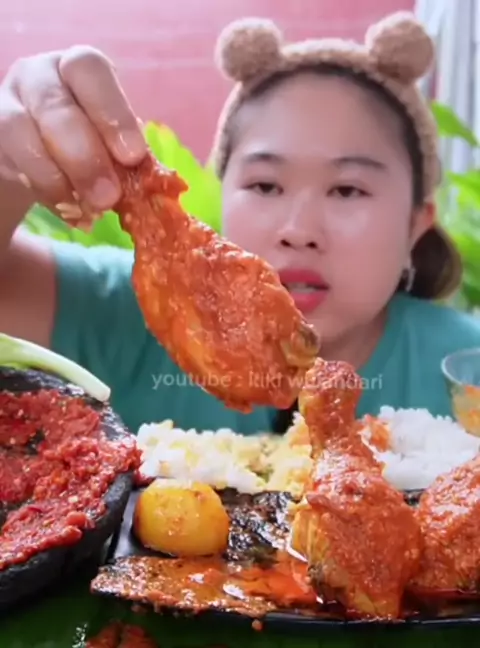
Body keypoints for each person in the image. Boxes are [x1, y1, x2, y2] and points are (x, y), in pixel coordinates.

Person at [0, 11, 478, 436]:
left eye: (347, 190)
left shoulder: (466, 366)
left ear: (416, 224)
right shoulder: (123, 311)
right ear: (223, 192)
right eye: (266, 185)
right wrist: (8, 171)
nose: (299, 230)